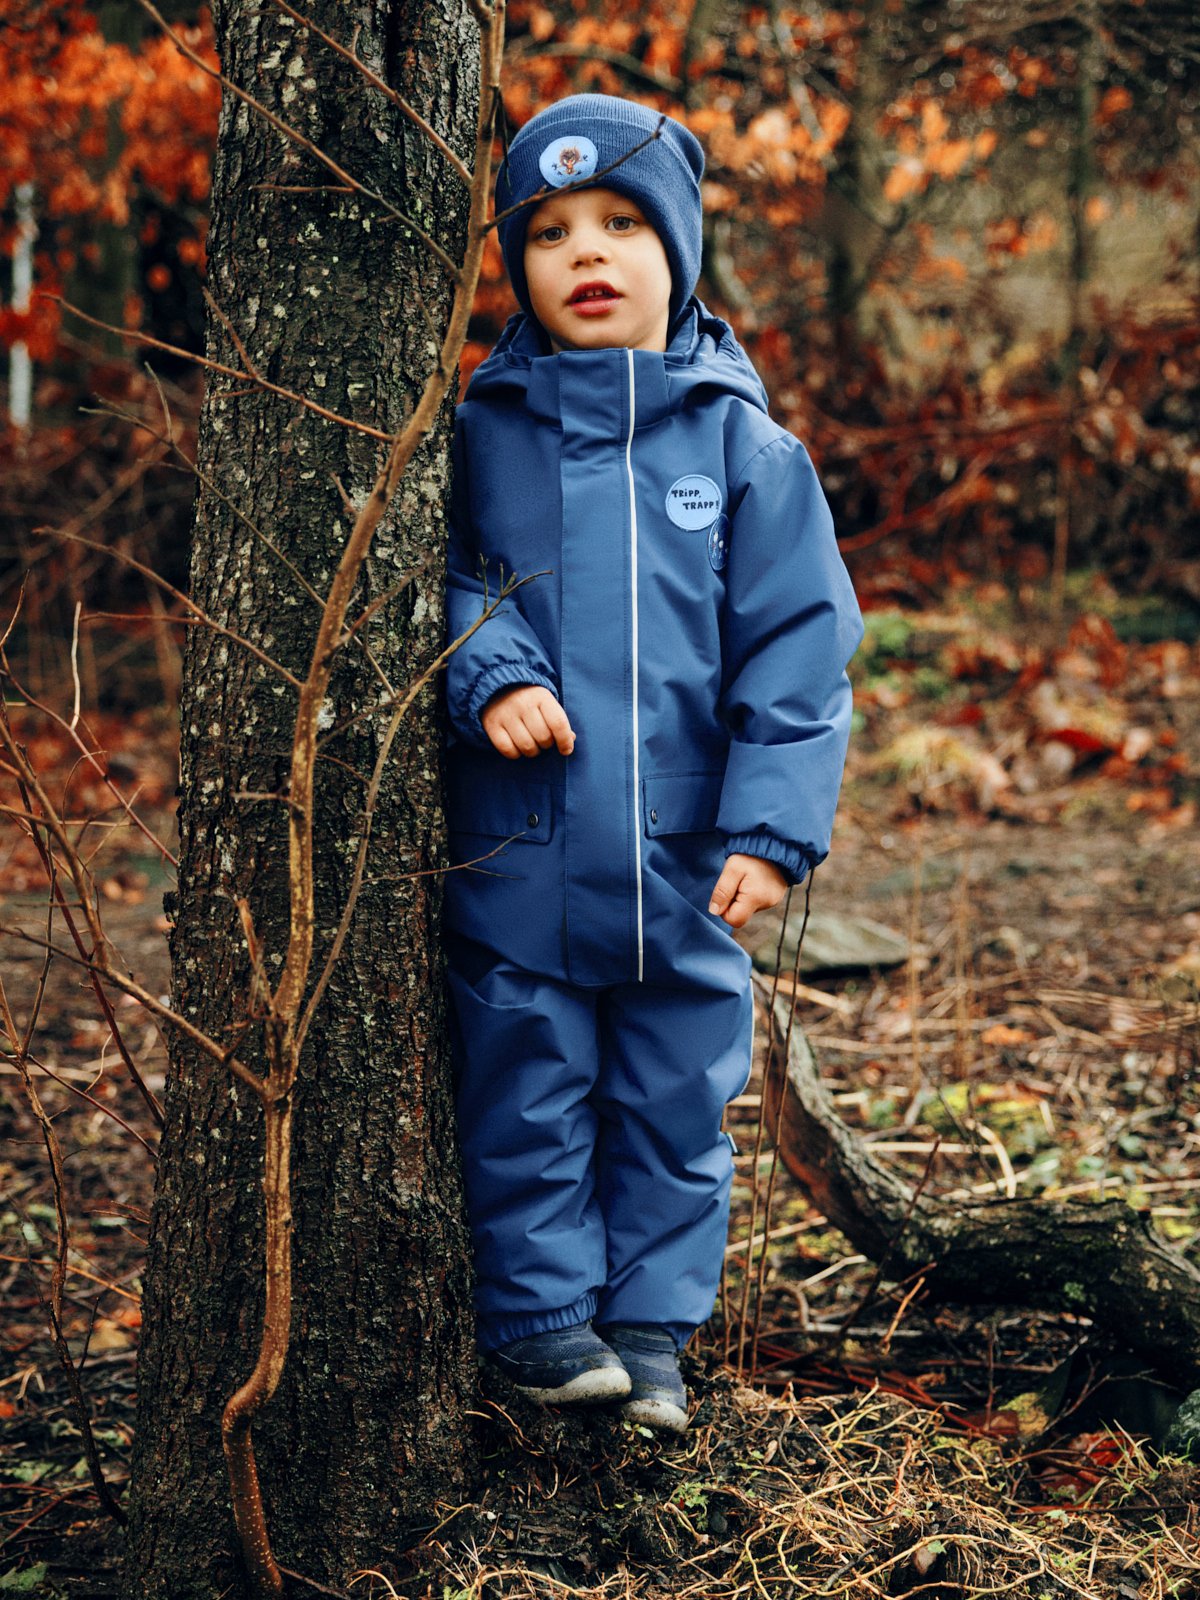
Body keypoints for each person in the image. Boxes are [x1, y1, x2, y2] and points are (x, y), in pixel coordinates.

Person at [441, 92, 862, 1435]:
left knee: (678, 1102)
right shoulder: (478, 431)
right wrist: (489, 670)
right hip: (525, 847)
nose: (588, 253)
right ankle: (543, 1320)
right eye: (551, 231)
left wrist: (771, 832)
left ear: (678, 248)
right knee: (527, 1083)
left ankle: (653, 1334)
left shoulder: (743, 445)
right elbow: (433, 583)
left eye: (623, 222)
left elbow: (799, 657)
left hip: (687, 865)